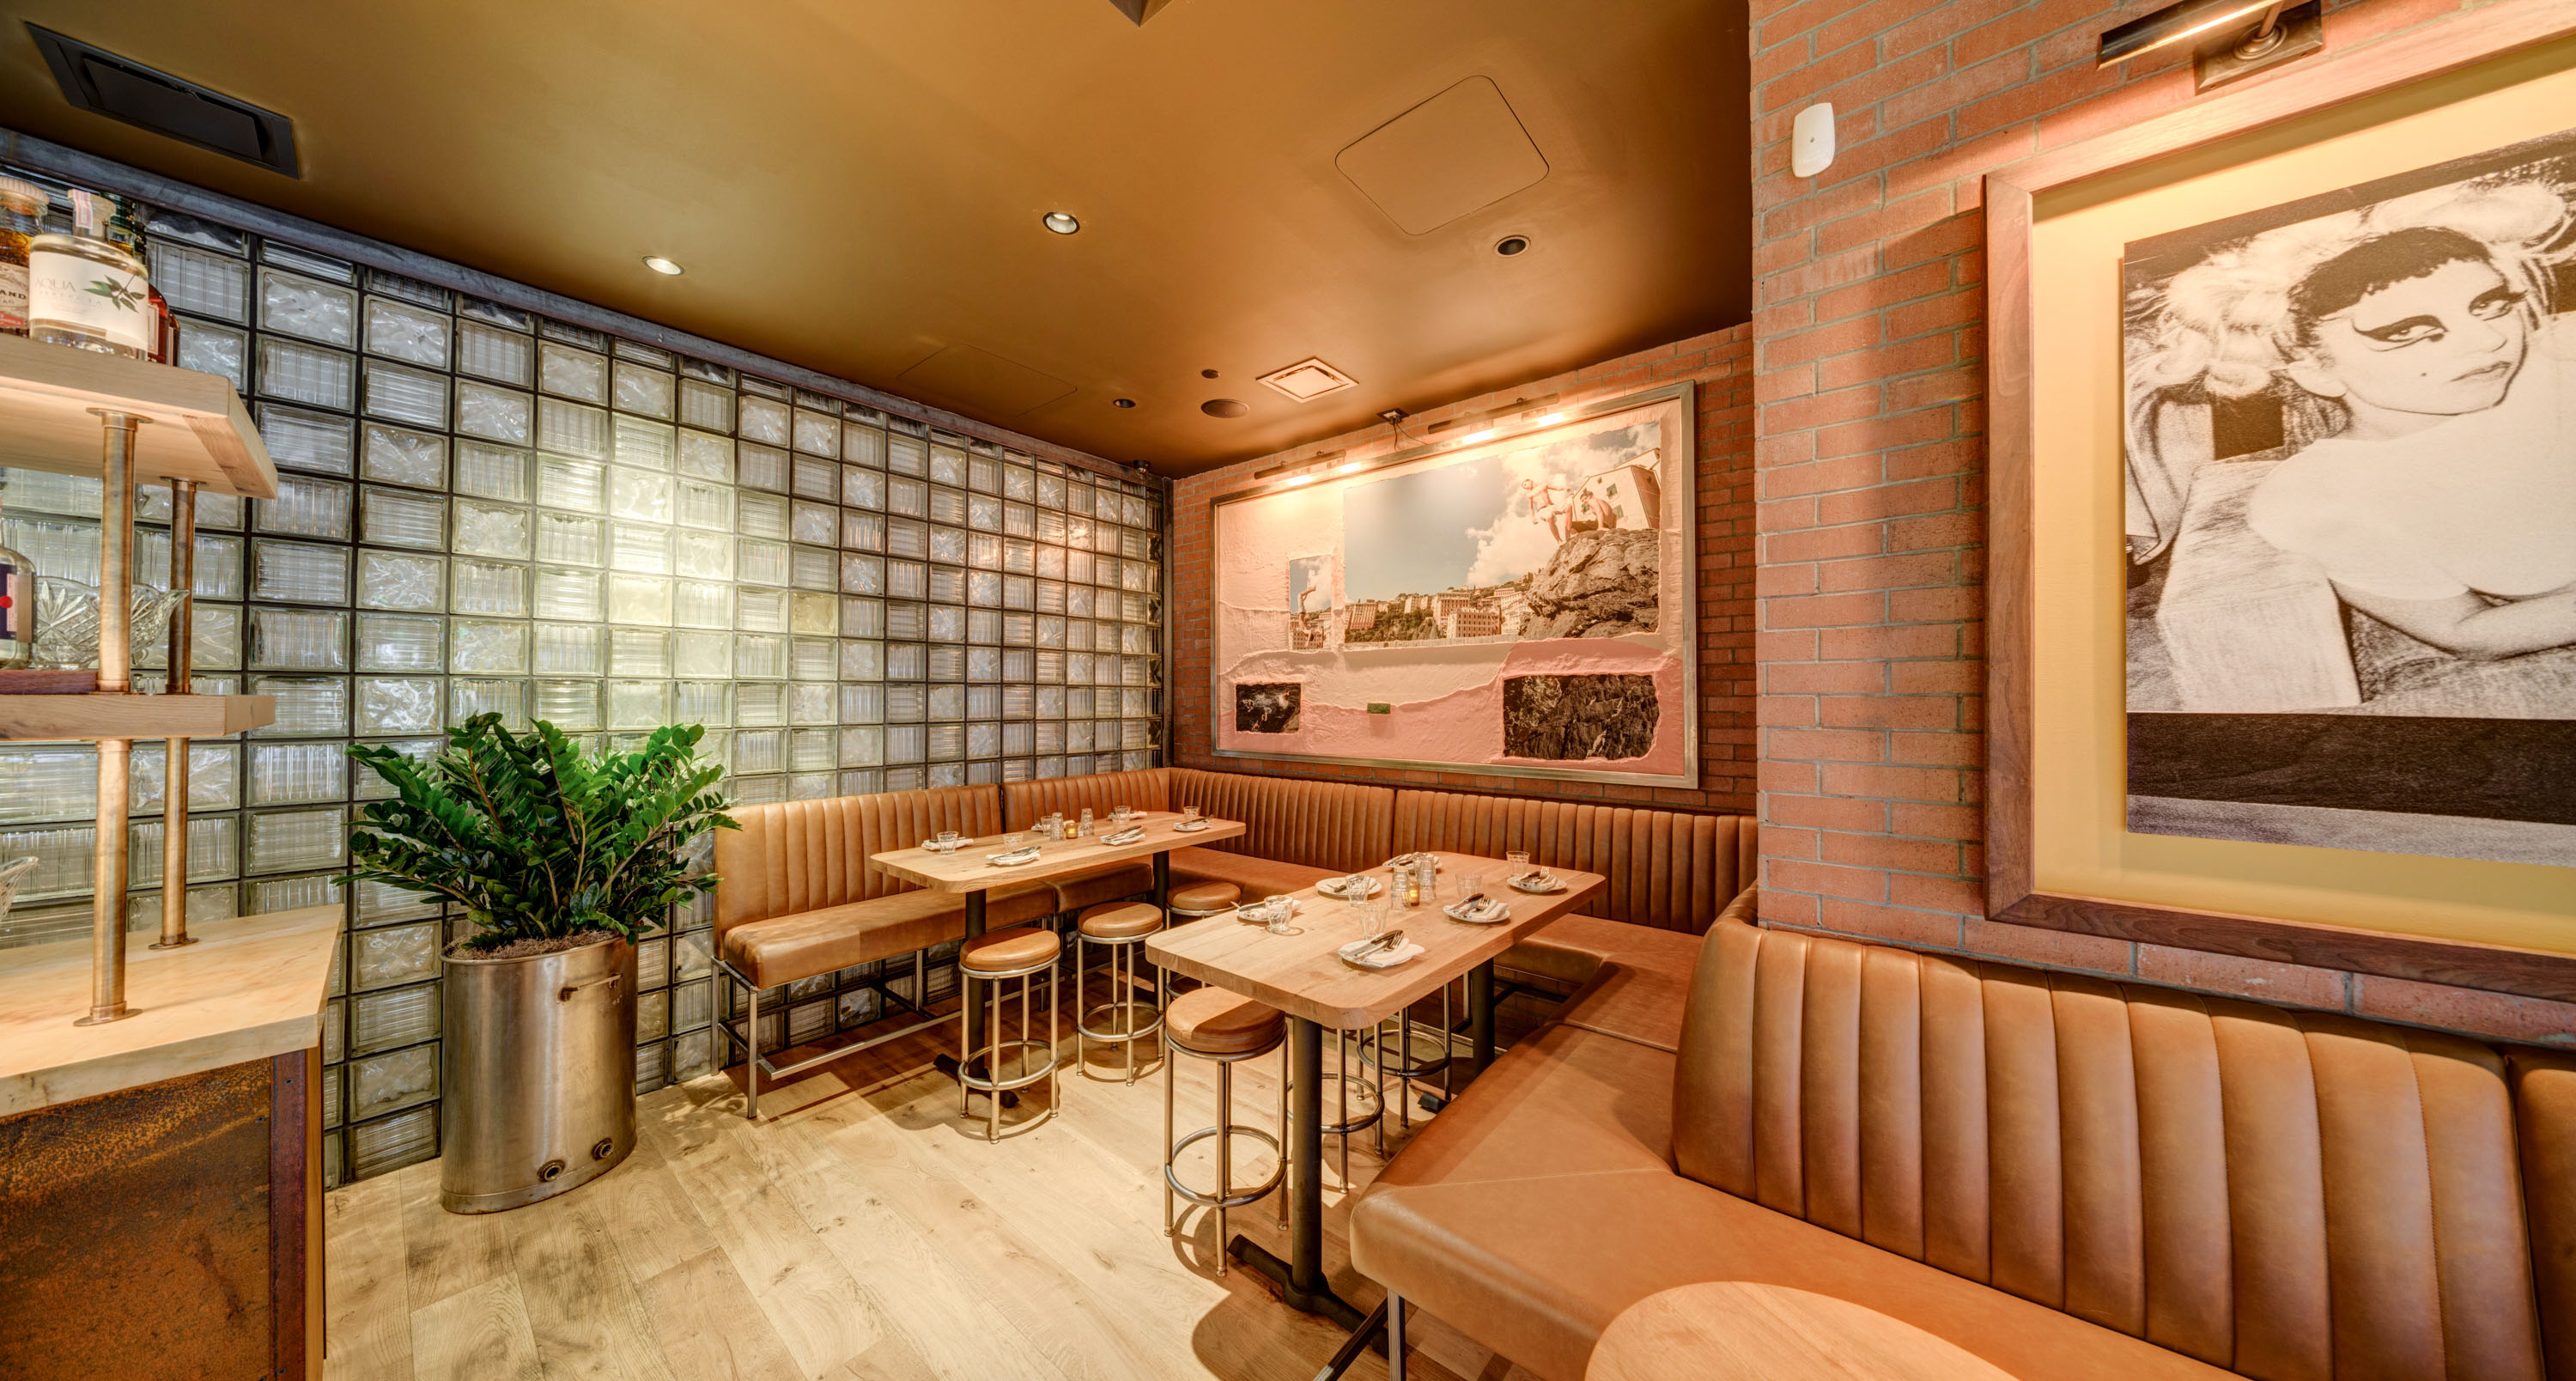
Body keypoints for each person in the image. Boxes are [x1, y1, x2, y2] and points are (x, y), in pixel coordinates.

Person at [2128, 179, 2576, 661]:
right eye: (2410, 332)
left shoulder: (2559, 356)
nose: (2487, 340)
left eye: (2490, 306)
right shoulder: (2315, 498)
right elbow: (2467, 630)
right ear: (2316, 370)